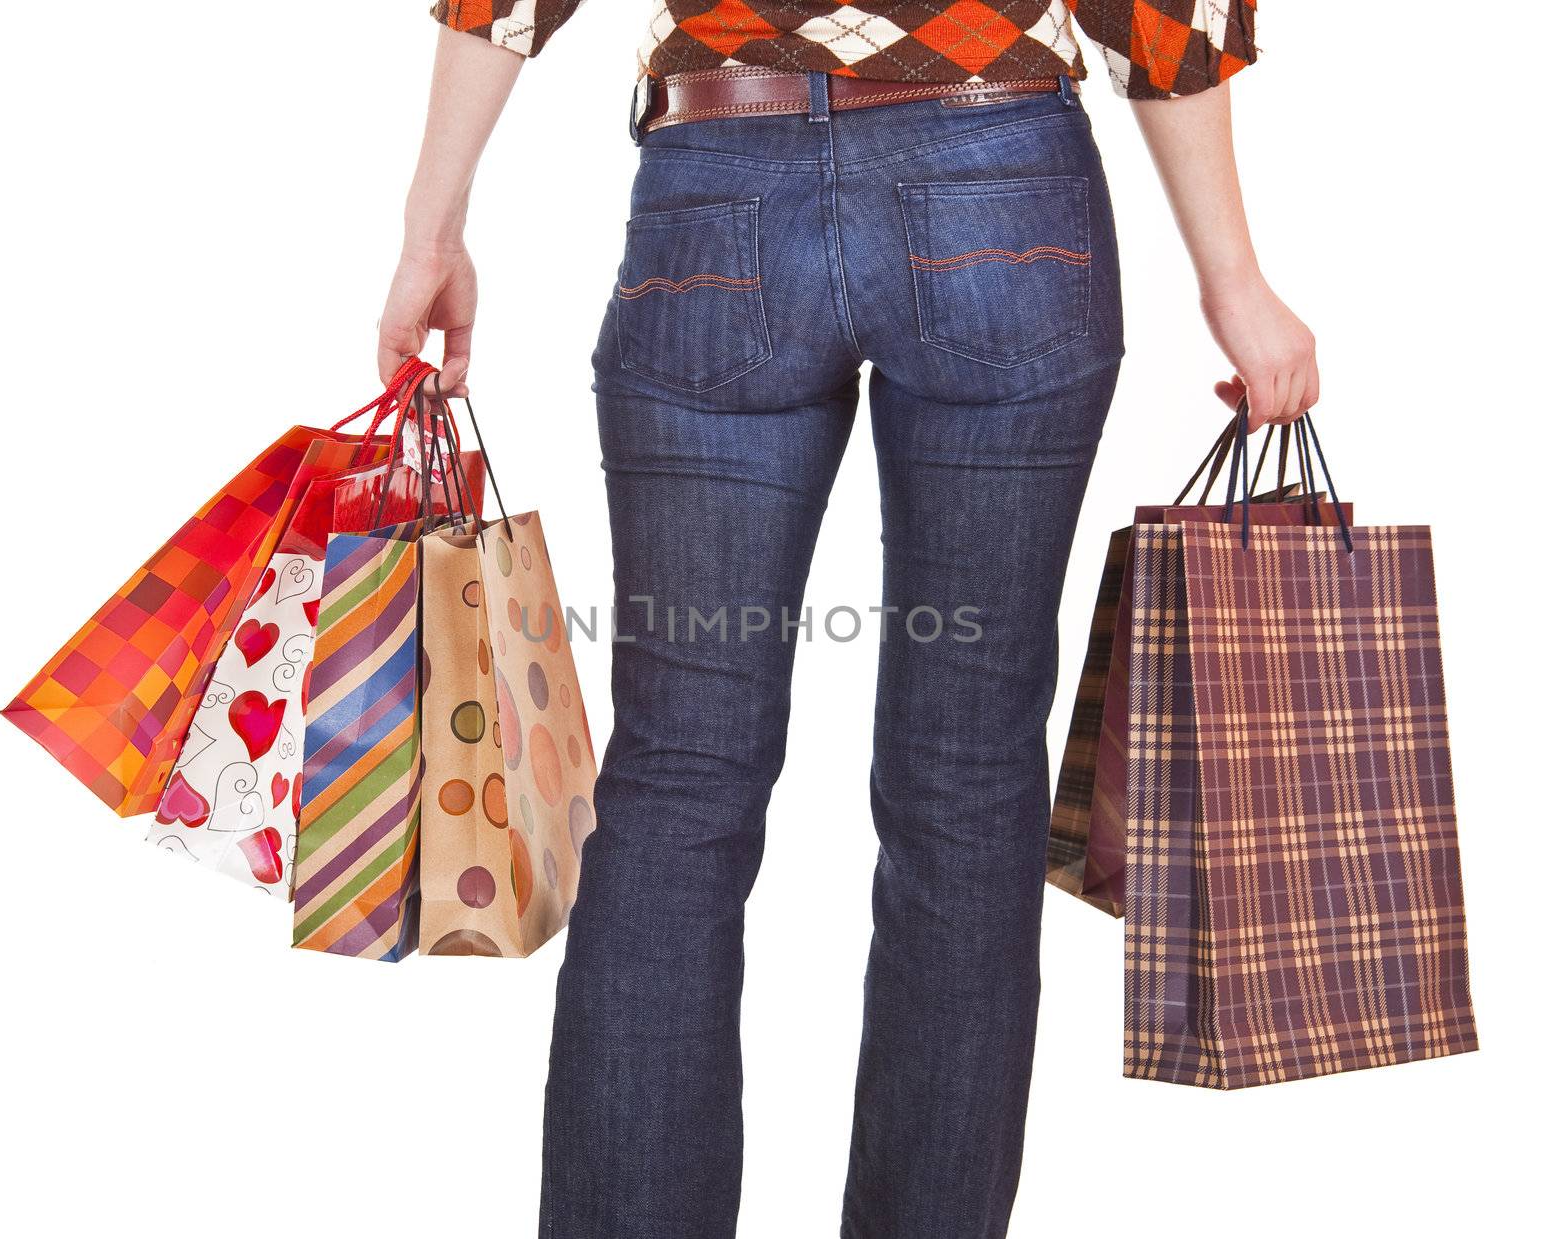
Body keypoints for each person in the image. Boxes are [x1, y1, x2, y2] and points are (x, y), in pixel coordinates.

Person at [379, 3, 1315, 1236]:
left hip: (717, 190)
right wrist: (1233, 277)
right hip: (1006, 197)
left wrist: (430, 233)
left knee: (677, 783)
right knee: (968, 780)